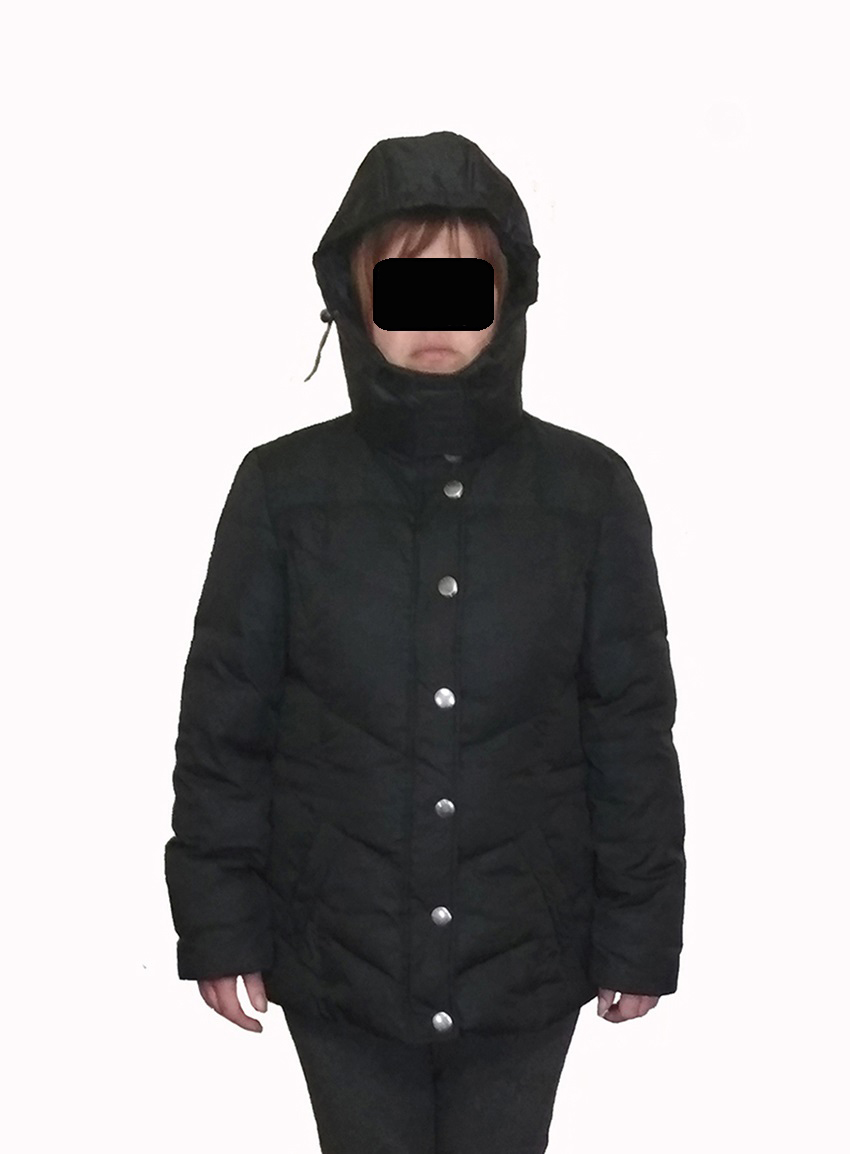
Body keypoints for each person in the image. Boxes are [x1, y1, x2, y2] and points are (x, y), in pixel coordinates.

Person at [164, 129, 686, 1154]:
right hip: (338, 954)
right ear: (355, 299)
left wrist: (639, 931)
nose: (435, 317)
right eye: (406, 285)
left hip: (526, 953)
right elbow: (225, 725)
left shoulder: (587, 492)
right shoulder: (282, 490)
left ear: (507, 296)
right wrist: (219, 921)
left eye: (463, 284)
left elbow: (629, 728)